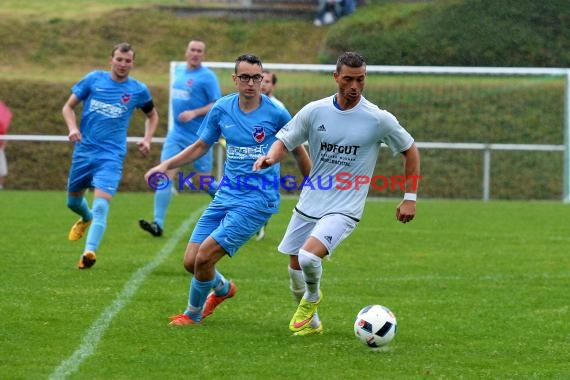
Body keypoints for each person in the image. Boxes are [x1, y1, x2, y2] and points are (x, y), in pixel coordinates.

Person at [253, 52, 421, 336]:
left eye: (361, 79)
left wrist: (410, 197)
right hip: (311, 200)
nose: (355, 85)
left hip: (345, 207)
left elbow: (410, 150)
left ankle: (314, 296)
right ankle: (313, 324)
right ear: (336, 77)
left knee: (308, 258)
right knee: (294, 270)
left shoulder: (378, 119)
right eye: (348, 79)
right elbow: (285, 138)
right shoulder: (315, 111)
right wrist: (270, 157)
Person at [145, 53, 310, 326]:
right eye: (244, 77)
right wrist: (165, 165)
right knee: (191, 262)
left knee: (205, 256)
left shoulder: (276, 113)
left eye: (256, 77)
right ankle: (223, 289)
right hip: (226, 195)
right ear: (235, 80)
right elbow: (200, 146)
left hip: (258, 200)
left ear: (262, 79)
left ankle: (192, 314)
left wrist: (312, 184)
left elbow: (298, 151)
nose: (251, 83)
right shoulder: (222, 109)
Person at [62, 42, 159, 269]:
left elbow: (152, 116)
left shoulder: (138, 90)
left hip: (111, 156)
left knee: (102, 206)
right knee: (73, 202)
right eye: (119, 59)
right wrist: (72, 128)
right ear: (111, 60)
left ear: (132, 63)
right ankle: (85, 218)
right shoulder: (93, 80)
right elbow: (68, 107)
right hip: (84, 152)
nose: (123, 64)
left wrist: (147, 139)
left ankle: (89, 252)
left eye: (128, 61)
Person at [139, 39, 222, 238]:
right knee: (165, 172)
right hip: (176, 134)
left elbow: (217, 103)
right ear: (186, 52)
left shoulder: (207, 77)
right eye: (192, 49)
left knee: (203, 181)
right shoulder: (179, 72)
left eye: (199, 51)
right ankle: (157, 224)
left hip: (199, 138)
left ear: (204, 54)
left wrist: (194, 112)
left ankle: (235, 206)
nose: (195, 53)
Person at [254, 69, 287, 240]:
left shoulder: (278, 108)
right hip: (248, 158)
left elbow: (286, 135)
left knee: (263, 194)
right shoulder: (249, 105)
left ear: (273, 85)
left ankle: (260, 223)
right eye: (262, 80)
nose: (264, 84)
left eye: (267, 81)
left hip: (269, 158)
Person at [0, 100, 12, 190]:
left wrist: (3, 147)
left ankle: (0, 186)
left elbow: (5, 136)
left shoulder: (1, 126)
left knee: (2, 169)